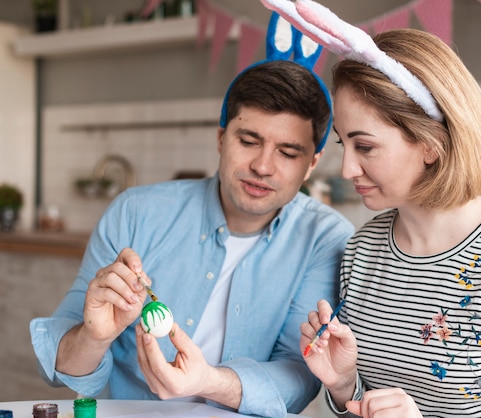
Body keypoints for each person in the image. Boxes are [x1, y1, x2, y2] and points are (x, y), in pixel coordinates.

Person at [261, 2, 481, 416]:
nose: (348, 167)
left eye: (365, 146)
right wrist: (343, 384)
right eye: (343, 143)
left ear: (430, 143)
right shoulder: (363, 251)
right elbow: (371, 404)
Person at [30, 50, 354, 417]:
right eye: (248, 141)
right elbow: (61, 370)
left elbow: (300, 374)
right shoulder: (135, 214)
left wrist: (207, 382)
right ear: (221, 138)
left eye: (288, 152)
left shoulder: (326, 238)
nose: (263, 166)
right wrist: (94, 335)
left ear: (312, 163)